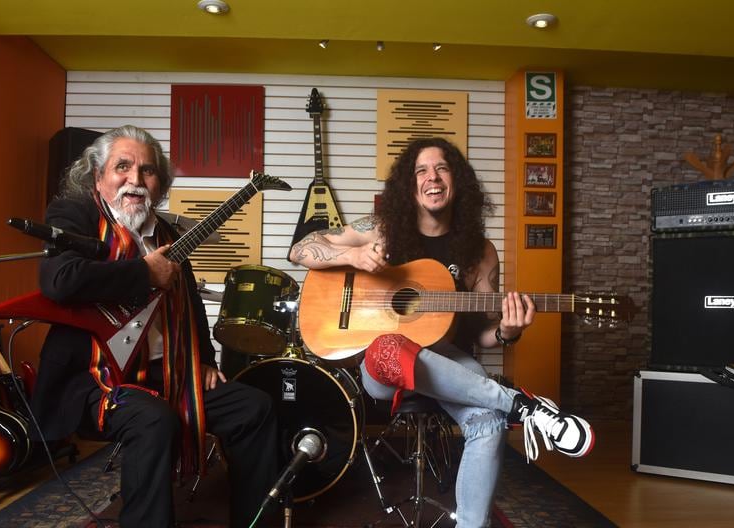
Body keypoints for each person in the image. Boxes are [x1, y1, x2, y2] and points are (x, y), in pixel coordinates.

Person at [289, 137, 594, 528]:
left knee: (488, 420)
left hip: (446, 363)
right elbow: (302, 248)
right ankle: (520, 405)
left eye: (442, 168)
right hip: (384, 368)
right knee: (388, 344)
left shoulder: (479, 252)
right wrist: (352, 255)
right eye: (421, 170)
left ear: (457, 180)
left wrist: (507, 331)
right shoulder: (380, 230)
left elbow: (484, 334)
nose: (432, 178)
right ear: (409, 184)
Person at [31, 125, 278, 528]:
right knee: (153, 418)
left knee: (254, 408)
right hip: (95, 380)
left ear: (159, 183)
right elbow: (59, 281)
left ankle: (255, 523)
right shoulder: (73, 216)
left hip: (169, 374)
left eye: (147, 171)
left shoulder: (167, 233)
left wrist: (206, 361)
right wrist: (143, 273)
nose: (135, 179)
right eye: (122, 167)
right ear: (98, 176)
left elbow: (192, 304)